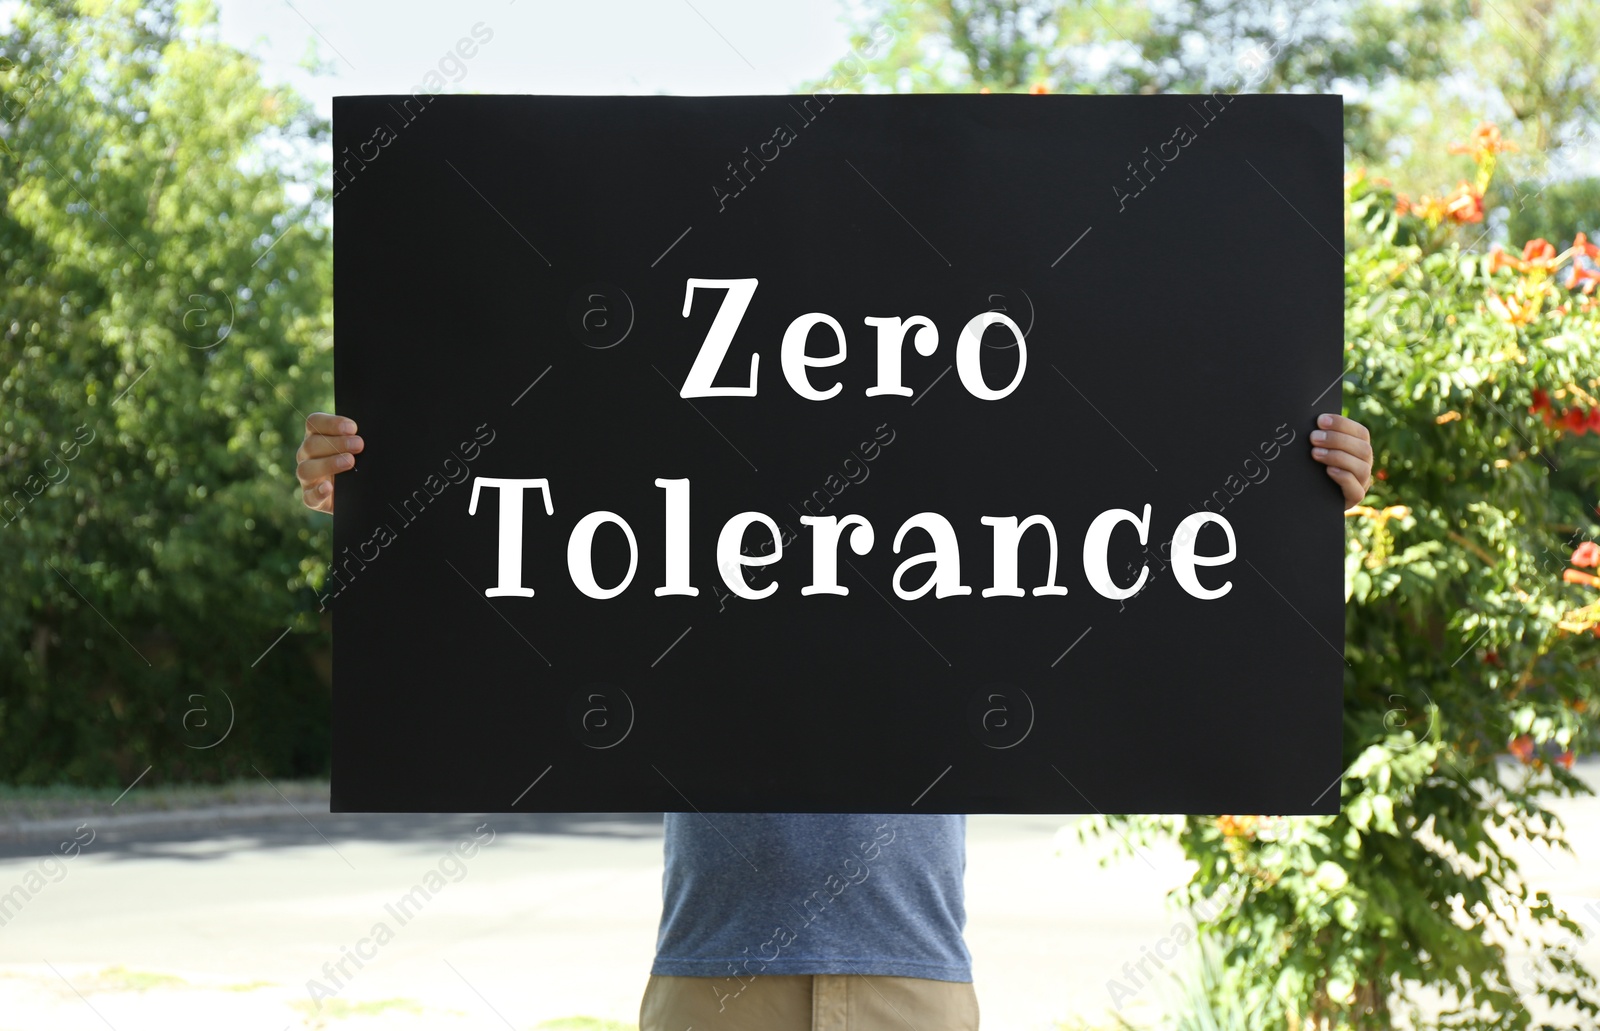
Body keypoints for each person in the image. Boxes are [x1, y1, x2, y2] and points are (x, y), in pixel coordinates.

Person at [296, 409, 1374, 1031]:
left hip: (911, 969)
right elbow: (523, 532)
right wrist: (380, 498)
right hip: (712, 968)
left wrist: (1299, 497)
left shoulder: (964, 501)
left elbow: (1141, 533)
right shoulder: (683, 497)